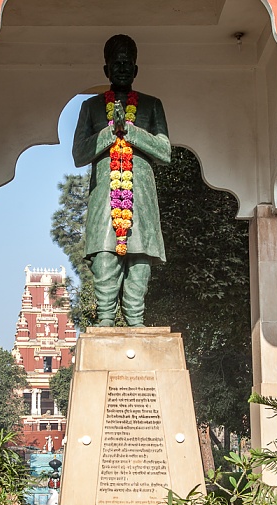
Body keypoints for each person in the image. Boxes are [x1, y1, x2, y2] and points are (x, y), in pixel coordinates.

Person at [72, 34, 171, 327]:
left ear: (137, 70)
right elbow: (79, 154)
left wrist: (130, 131)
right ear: (106, 70)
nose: (123, 68)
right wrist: (108, 132)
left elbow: (165, 151)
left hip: (140, 196)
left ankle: (136, 322)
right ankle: (104, 321)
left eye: (128, 63)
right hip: (105, 197)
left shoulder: (152, 106)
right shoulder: (91, 108)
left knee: (140, 262)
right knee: (104, 259)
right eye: (117, 63)